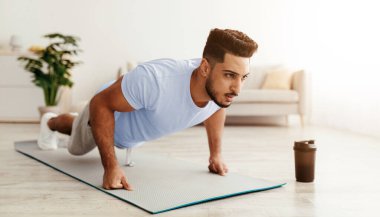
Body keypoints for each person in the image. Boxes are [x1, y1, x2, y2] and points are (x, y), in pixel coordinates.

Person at [37, 28, 258, 191]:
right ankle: (51, 121)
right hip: (106, 111)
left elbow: (217, 107)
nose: (237, 89)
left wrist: (215, 154)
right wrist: (110, 166)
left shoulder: (218, 91)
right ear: (205, 68)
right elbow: (101, 104)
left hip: (135, 130)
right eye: (229, 75)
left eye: (243, 77)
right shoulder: (156, 80)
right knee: (76, 147)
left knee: (124, 136)